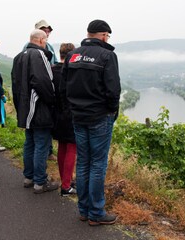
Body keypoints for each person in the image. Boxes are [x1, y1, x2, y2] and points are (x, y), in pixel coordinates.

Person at [61, 20, 121, 225]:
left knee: (84, 162)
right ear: (104, 35)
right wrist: (112, 111)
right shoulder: (107, 56)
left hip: (78, 116)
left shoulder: (72, 55)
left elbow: (63, 89)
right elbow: (113, 90)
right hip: (99, 117)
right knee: (97, 164)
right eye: (107, 36)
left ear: (88, 33)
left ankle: (84, 209)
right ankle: (96, 213)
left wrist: (72, 109)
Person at [12, 29, 59, 194]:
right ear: (40, 40)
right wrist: (53, 101)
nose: (46, 43)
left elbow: (16, 84)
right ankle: (41, 182)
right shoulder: (40, 55)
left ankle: (29, 177)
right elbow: (44, 82)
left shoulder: (19, 57)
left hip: (25, 109)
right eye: (45, 40)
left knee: (29, 143)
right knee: (42, 145)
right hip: (39, 108)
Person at [23, 19, 58, 161]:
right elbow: (36, 75)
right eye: (44, 30)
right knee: (38, 135)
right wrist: (52, 98)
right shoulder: (30, 49)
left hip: (40, 91)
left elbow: (53, 64)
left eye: (48, 30)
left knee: (36, 135)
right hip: (37, 95)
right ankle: (39, 177)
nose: (47, 32)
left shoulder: (49, 46)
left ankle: (32, 172)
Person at [52, 43, 77, 196]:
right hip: (70, 113)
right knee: (72, 148)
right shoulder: (71, 72)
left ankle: (65, 180)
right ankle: (66, 185)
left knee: (62, 146)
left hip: (55, 113)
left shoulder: (51, 70)